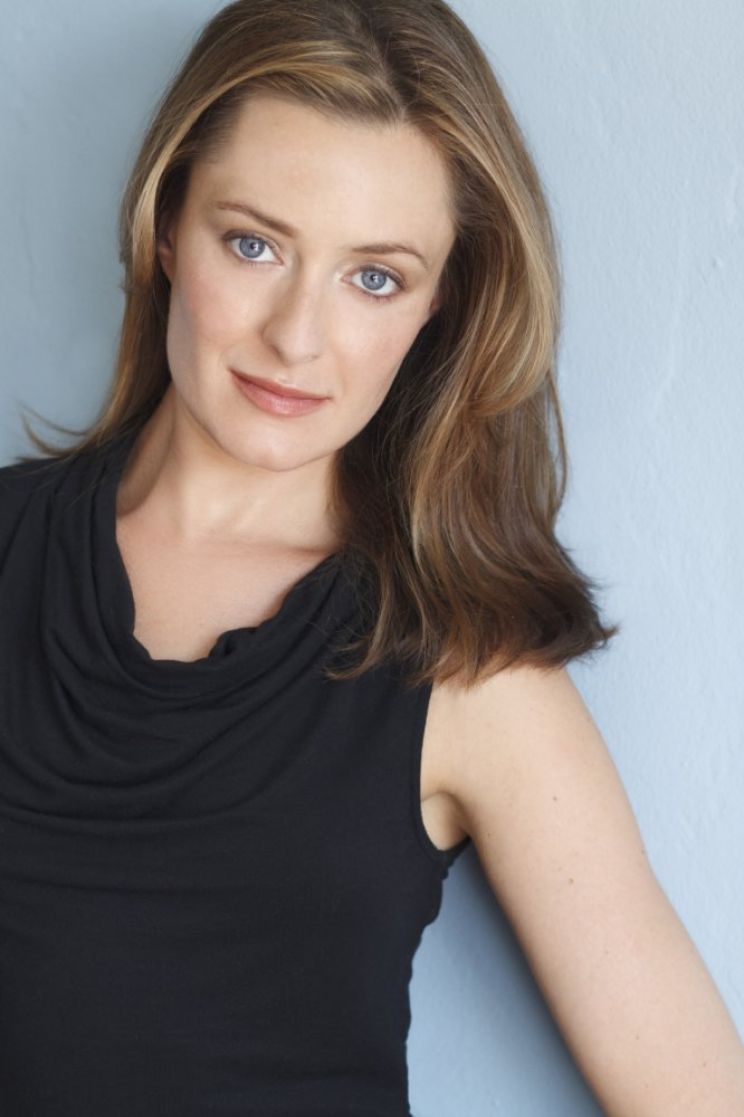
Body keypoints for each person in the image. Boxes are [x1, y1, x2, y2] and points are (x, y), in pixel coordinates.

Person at [0, 0, 742, 1113]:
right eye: (253, 244)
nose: (296, 336)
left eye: (375, 277)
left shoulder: (469, 667)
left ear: (440, 306)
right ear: (166, 224)